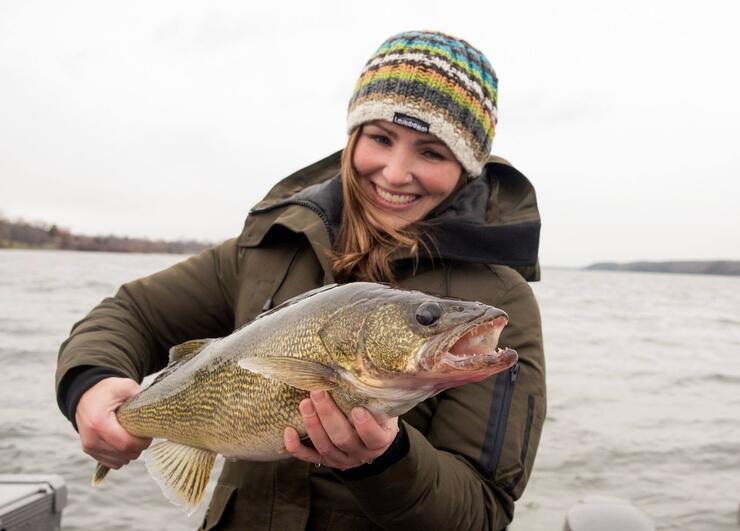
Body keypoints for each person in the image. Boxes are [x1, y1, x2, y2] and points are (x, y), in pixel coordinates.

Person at [55, 30, 545, 531]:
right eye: (380, 139)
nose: (396, 173)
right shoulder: (270, 247)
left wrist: (387, 460)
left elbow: (482, 513)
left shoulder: (499, 298)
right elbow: (131, 313)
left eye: (432, 152)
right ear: (352, 138)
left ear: (466, 169)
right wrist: (89, 384)